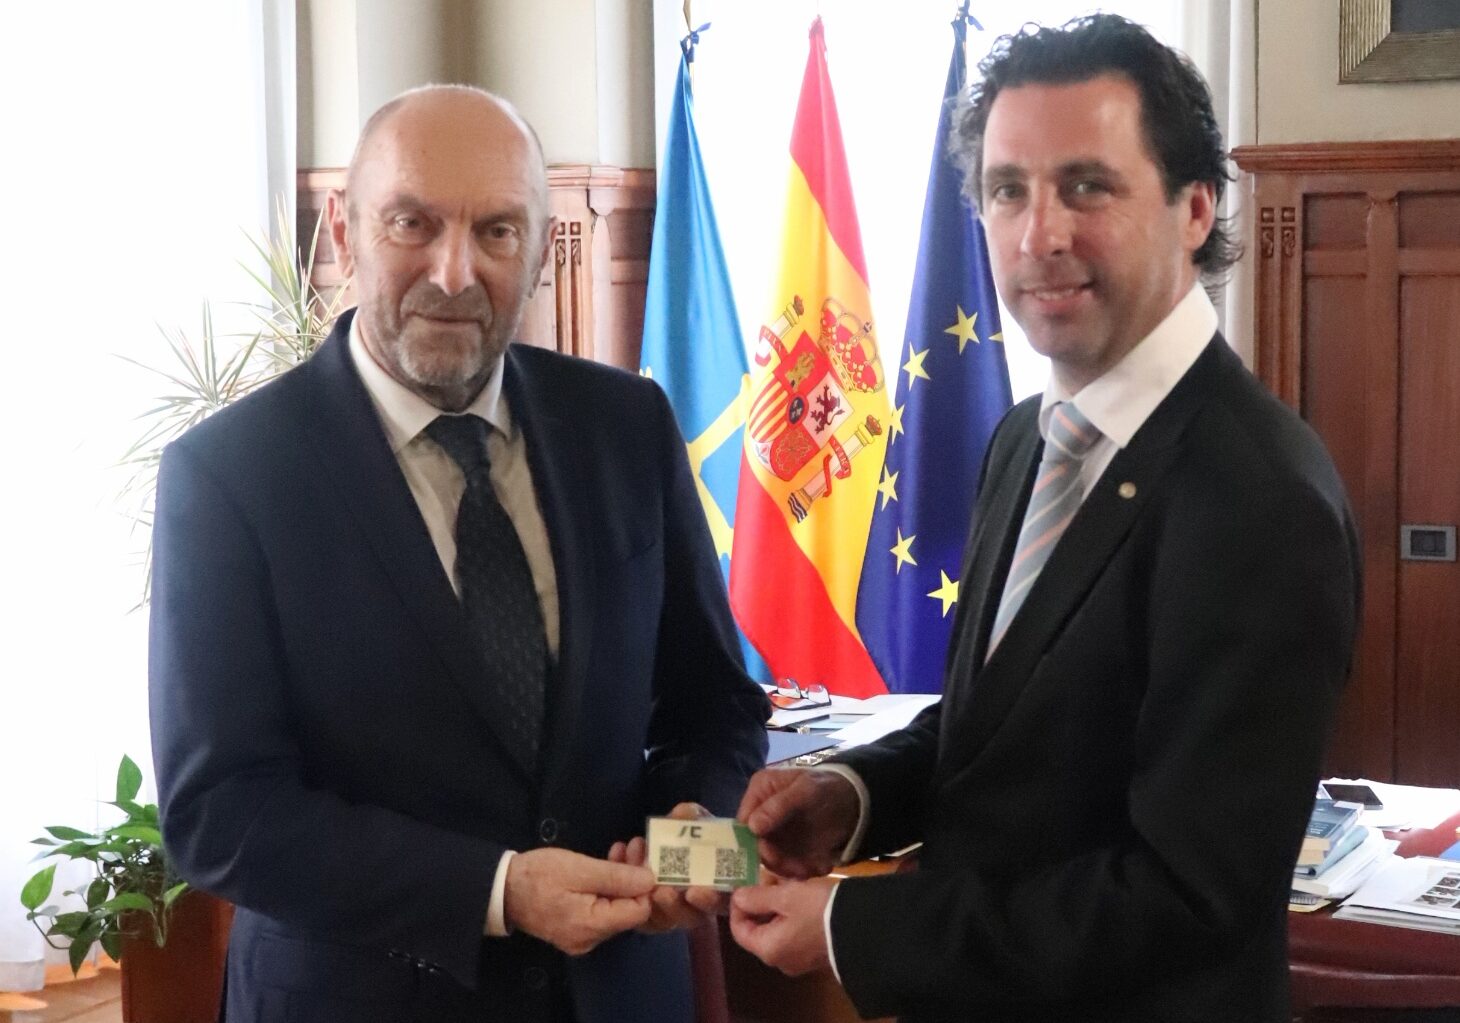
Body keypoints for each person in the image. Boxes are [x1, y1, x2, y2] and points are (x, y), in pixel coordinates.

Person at [729, 15, 1360, 1022]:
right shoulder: (1027, 437)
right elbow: (1002, 732)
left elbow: (1186, 896)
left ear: (1194, 209)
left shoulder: (1256, 496)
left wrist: (854, 929)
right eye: (1006, 190)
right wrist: (853, 797)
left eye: (1086, 186)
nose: (1039, 235)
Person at [149, 85, 768, 1023]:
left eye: (497, 231)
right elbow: (219, 811)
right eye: (413, 223)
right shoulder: (230, 475)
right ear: (344, 229)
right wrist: (499, 889)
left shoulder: (626, 426)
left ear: (540, 249)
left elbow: (716, 705)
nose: (453, 272)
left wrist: (696, 842)